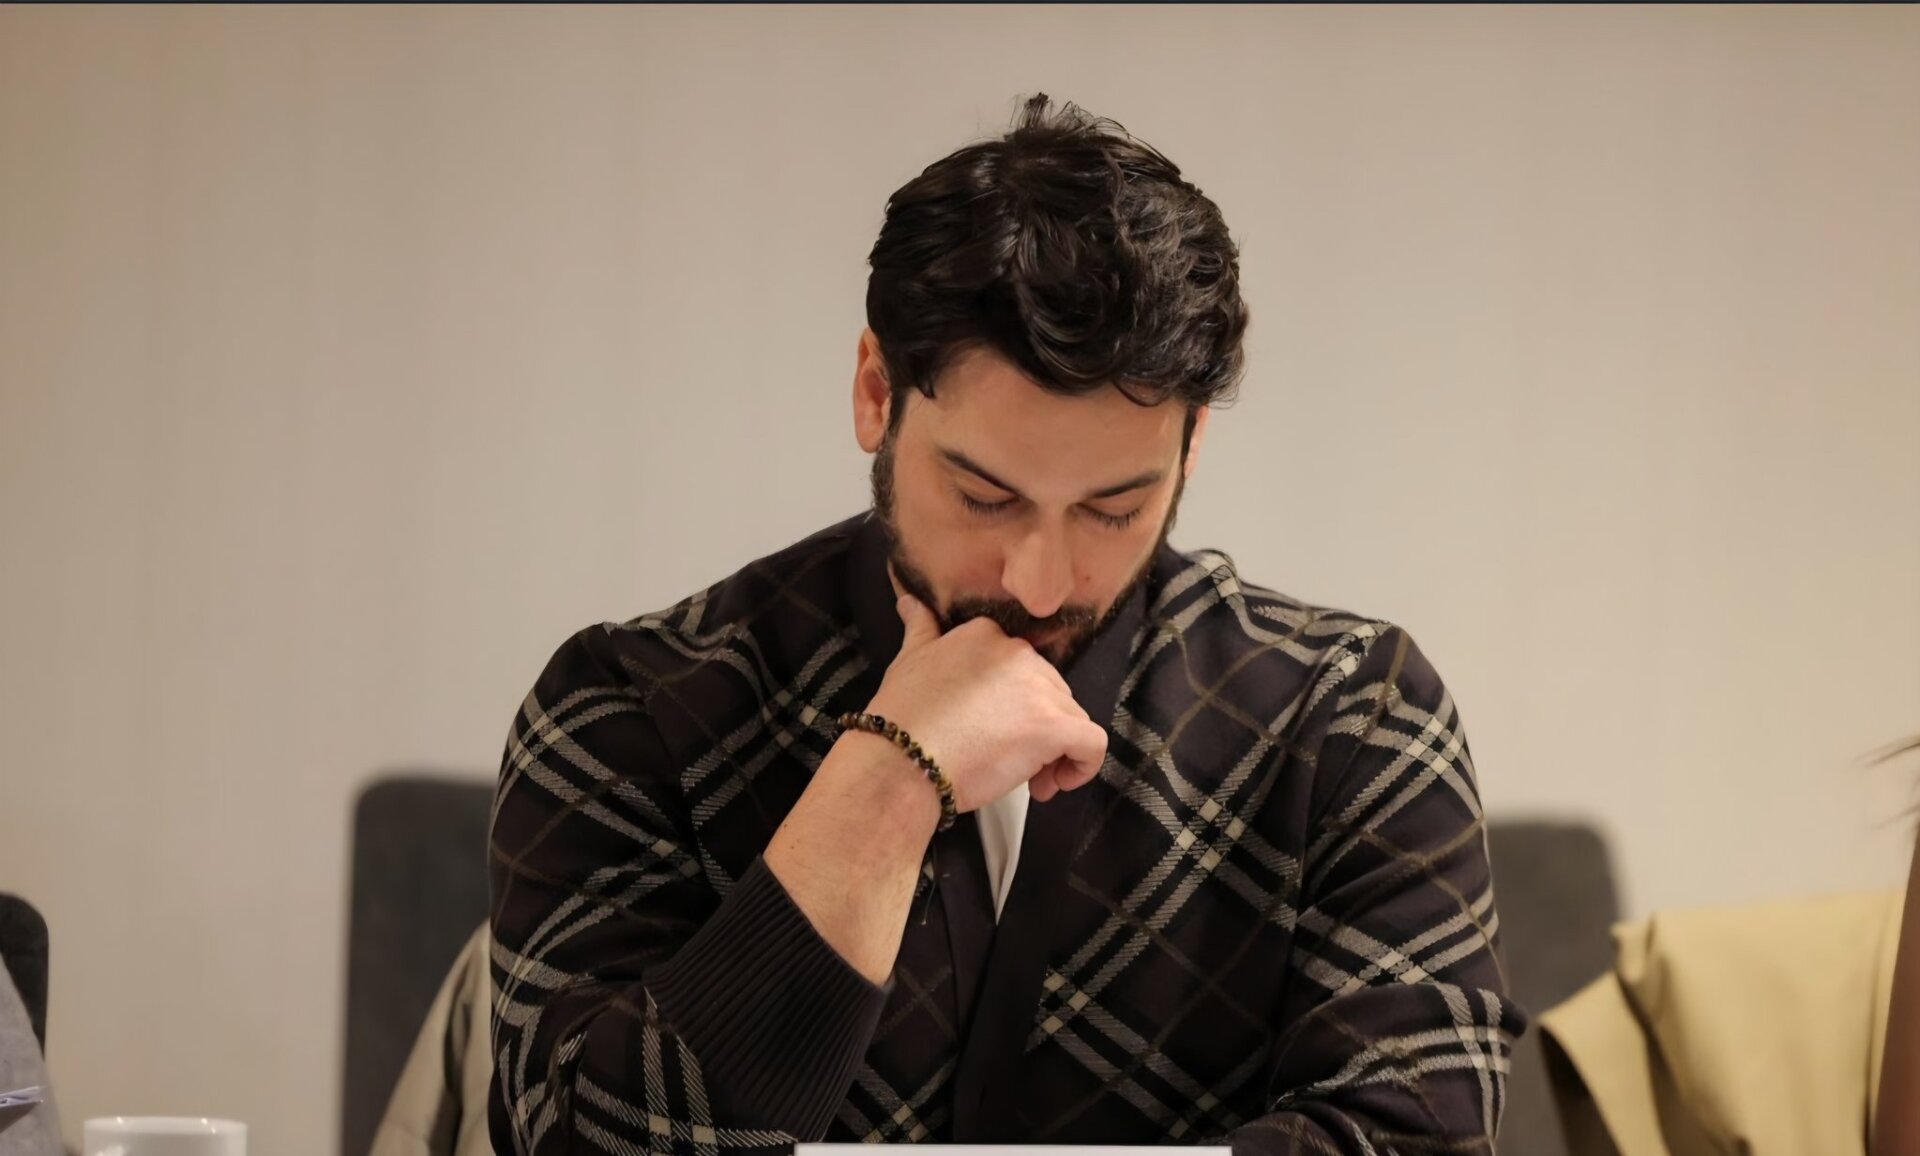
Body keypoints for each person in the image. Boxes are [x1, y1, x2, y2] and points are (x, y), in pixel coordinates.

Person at [487, 95, 1521, 1156]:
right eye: (985, 498)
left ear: (1192, 446)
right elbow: (579, 1141)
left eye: (1113, 510)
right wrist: (887, 785)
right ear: (876, 394)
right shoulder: (632, 710)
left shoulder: (1352, 719)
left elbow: (1417, 1142)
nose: (1039, 583)